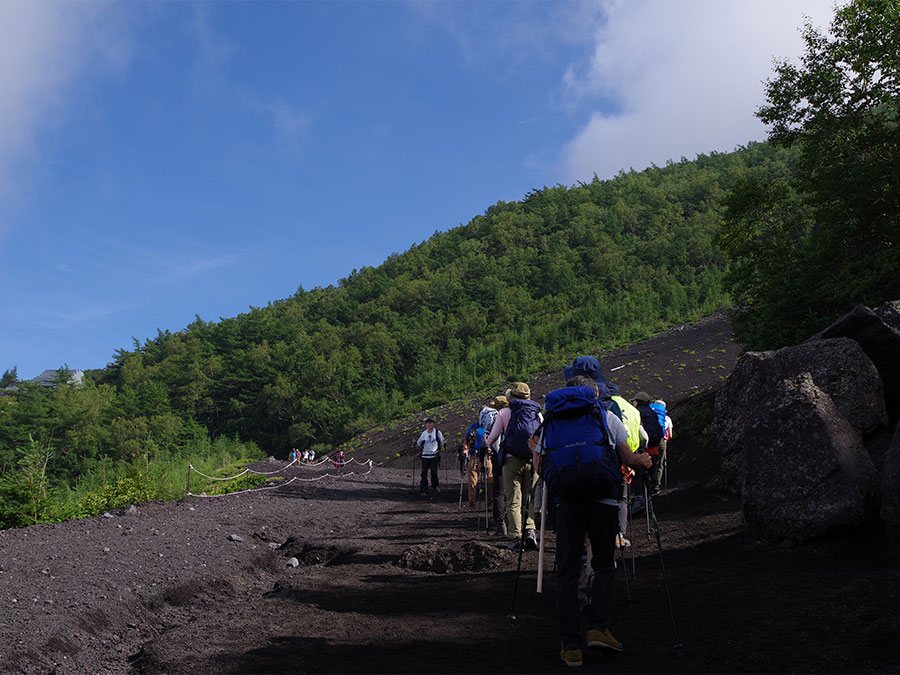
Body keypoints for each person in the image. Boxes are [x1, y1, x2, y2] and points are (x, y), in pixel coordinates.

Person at [531, 372, 651, 667]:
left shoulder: (552, 422)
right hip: (603, 500)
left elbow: (538, 462)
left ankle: (570, 645)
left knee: (568, 572)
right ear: (594, 394)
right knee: (603, 563)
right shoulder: (606, 417)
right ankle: (598, 627)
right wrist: (644, 461)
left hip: (567, 503)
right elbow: (628, 458)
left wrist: (556, 481)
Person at [485, 382, 542, 551]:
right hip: (532, 460)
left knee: (513, 501)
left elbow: (493, 437)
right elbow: (542, 434)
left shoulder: (504, 412)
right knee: (529, 499)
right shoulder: (536, 412)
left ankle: (517, 537)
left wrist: (486, 444)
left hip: (511, 460)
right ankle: (530, 531)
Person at [632, 392, 666, 493]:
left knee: (639, 474)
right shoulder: (653, 413)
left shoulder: (636, 412)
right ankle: (653, 487)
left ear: (638, 401)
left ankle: (640, 496)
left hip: (642, 446)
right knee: (653, 468)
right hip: (654, 445)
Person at [464, 420, 492, 512]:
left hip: (487, 456)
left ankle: (490, 502)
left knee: (489, 480)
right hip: (475, 455)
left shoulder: (492, 426)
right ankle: (472, 503)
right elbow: (467, 439)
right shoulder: (474, 426)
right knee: (473, 481)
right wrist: (465, 448)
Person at [416, 417, 445, 496]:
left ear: (433, 424)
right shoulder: (424, 433)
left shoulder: (437, 432)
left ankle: (435, 486)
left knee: (434, 472)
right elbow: (418, 443)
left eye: (430, 423)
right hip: (425, 456)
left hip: (433, 455)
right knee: (424, 473)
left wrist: (444, 443)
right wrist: (415, 443)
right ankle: (424, 490)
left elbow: (442, 442)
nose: (429, 425)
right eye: (427, 423)